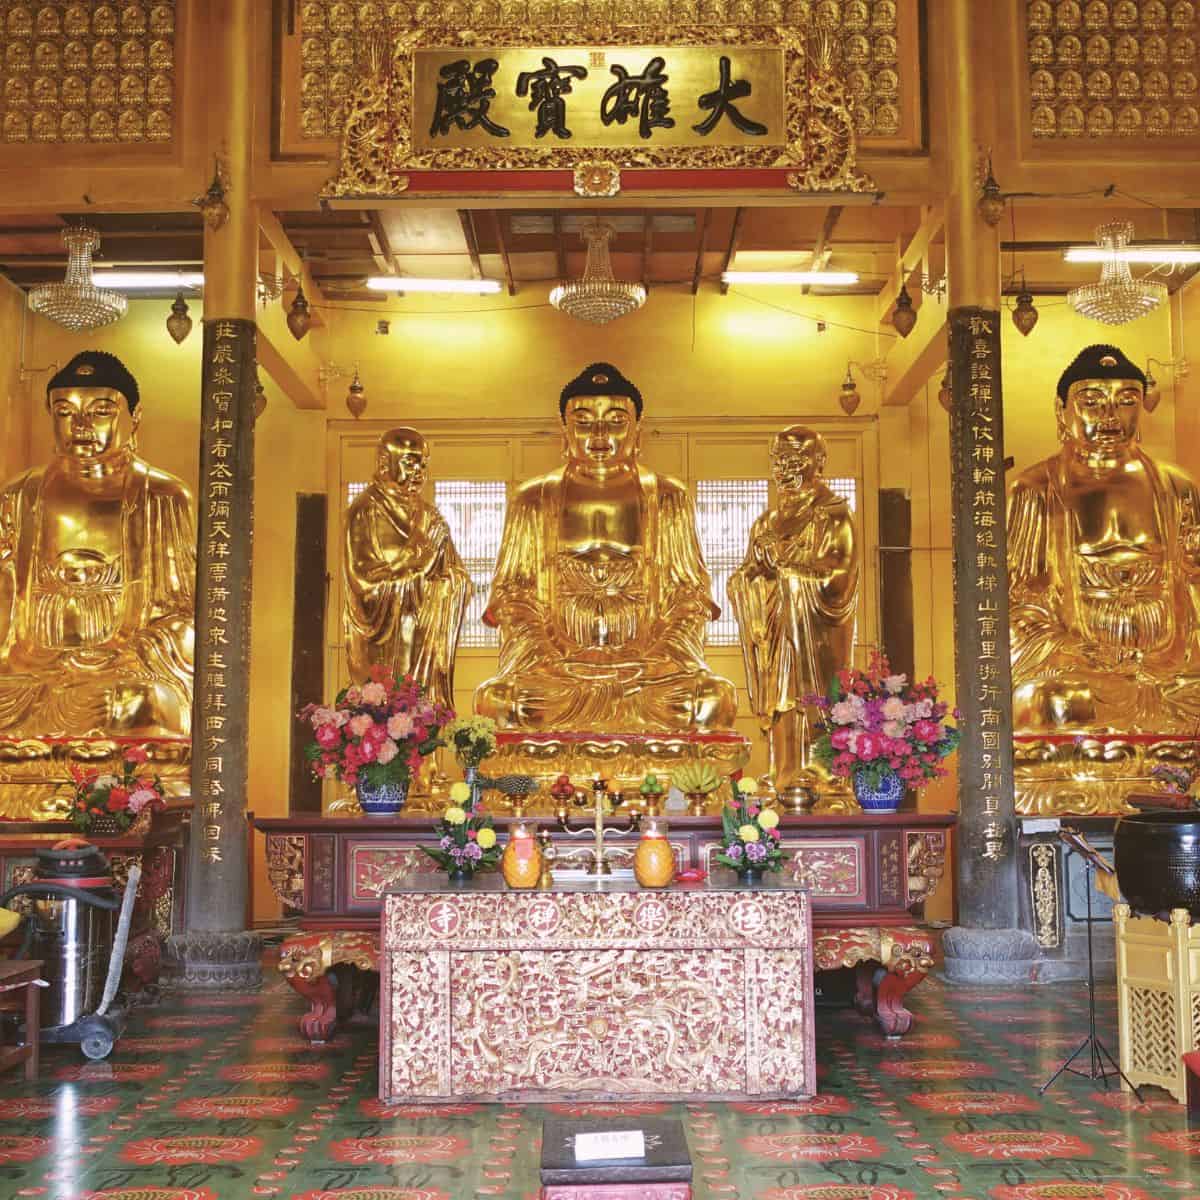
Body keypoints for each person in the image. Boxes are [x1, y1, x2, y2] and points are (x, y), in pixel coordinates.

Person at [475, 362, 737, 732]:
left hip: (646, 675)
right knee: (498, 701)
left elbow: (688, 599)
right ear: (564, 431)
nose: (599, 435)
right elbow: (514, 599)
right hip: (559, 675)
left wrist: (657, 659)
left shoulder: (668, 496)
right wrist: (549, 658)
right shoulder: (532, 498)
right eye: (583, 423)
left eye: (615, 422)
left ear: (637, 431)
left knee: (714, 699)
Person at [0, 351, 195, 737]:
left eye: (101, 410)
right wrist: (27, 659)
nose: (81, 424)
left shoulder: (164, 496)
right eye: (65, 411)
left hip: (121, 671)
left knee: (139, 704)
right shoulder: (19, 495)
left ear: (134, 417)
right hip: (32, 671)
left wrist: (120, 656)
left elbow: (187, 617)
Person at [1008, 343, 1200, 732]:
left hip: (1170, 665)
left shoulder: (1178, 487)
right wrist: (1072, 651)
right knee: (1052, 704)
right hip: (1081, 672)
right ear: (1062, 410)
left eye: (1126, 400)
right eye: (1091, 401)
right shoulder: (1035, 488)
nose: (1109, 415)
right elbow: (1017, 602)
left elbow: (1194, 584)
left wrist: (1179, 655)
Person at [728, 427, 859, 798]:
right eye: (779, 460)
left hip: (813, 631)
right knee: (780, 698)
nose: (785, 468)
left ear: (819, 462)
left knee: (811, 699)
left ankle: (820, 771)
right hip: (776, 628)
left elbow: (838, 578)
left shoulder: (833, 514)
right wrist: (751, 580)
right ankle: (782, 769)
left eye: (796, 459)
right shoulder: (766, 523)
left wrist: (784, 569)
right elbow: (746, 574)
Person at [343, 427, 471, 710]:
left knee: (423, 712)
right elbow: (364, 583)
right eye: (410, 462)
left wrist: (448, 584)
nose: (418, 471)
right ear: (384, 463)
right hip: (386, 635)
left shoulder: (428, 514)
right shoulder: (365, 509)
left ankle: (425, 745)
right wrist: (419, 560)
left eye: (423, 464)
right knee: (386, 709)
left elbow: (457, 574)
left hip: (424, 631)